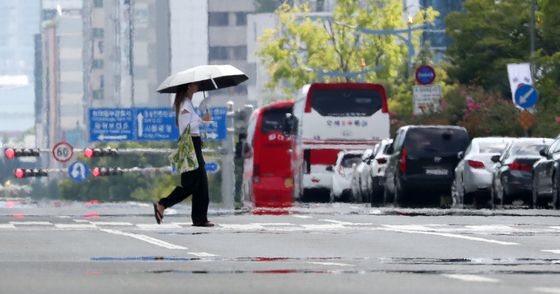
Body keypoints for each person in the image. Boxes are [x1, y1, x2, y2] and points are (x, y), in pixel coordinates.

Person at [153, 82, 214, 227]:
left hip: (194, 144)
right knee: (191, 185)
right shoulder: (185, 104)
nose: (197, 85)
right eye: (194, 84)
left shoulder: (187, 103)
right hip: (190, 146)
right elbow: (185, 128)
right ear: (188, 87)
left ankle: (200, 218)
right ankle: (162, 204)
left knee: (201, 185)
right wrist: (202, 120)